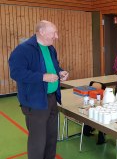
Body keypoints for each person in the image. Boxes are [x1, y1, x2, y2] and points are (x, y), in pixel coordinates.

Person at [9, 20, 69, 159]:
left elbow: (53, 67)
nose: (57, 36)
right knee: (38, 141)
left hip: (52, 98)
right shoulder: (23, 50)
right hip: (35, 102)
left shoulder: (51, 48)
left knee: (51, 137)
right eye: (53, 33)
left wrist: (60, 72)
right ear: (41, 32)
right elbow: (16, 73)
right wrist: (42, 77)